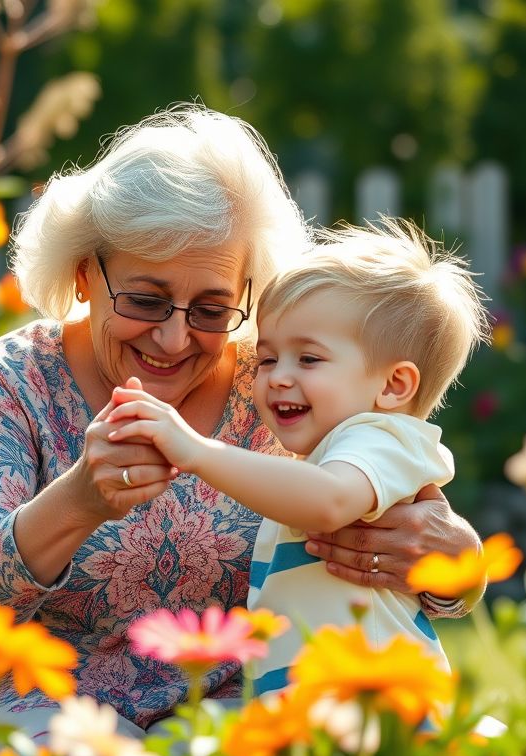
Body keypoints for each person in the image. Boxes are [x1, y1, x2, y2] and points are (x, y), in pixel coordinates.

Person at [0, 105, 484, 756]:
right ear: (83, 275)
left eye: (211, 308)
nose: (175, 338)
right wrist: (76, 504)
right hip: (36, 704)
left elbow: (401, 526)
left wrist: (456, 571)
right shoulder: (10, 383)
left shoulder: (283, 382)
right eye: (146, 301)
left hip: (238, 710)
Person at [104, 220, 490, 696]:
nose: (277, 378)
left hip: (376, 698)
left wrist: (198, 451)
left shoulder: (382, 438)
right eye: (267, 358)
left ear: (394, 386)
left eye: (308, 359)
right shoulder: (333, 449)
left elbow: (328, 503)